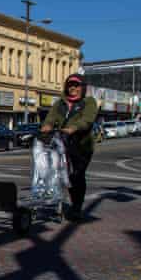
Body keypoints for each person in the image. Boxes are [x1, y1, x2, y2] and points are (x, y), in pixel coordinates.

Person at [40, 73, 99, 221]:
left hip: (81, 145)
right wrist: (46, 126)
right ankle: (53, 198)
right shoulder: (60, 103)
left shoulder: (89, 102)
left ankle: (76, 207)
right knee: (52, 171)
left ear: (82, 87)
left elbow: (87, 119)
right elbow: (50, 118)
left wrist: (74, 128)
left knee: (76, 176)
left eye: (76, 85)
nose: (73, 88)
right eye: (70, 85)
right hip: (62, 143)